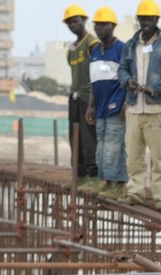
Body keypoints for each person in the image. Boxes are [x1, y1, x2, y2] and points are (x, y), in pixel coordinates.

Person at [118, 0, 161, 210]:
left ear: (156, 20)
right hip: (134, 107)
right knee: (134, 155)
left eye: (149, 19)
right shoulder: (131, 44)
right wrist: (128, 82)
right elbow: (123, 69)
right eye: (142, 18)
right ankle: (135, 192)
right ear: (138, 20)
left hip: (155, 109)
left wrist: (155, 88)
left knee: (159, 156)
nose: (145, 22)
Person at [87, 7, 128, 199]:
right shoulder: (95, 51)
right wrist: (91, 106)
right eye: (97, 25)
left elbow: (128, 77)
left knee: (114, 146)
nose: (99, 28)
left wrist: (124, 102)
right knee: (101, 148)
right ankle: (106, 181)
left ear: (112, 26)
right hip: (100, 108)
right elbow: (94, 82)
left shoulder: (121, 49)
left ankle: (118, 184)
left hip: (115, 105)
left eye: (103, 25)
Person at [63, 4, 99, 189]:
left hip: (88, 97)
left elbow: (98, 71)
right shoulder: (71, 49)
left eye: (75, 21)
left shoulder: (91, 43)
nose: (72, 25)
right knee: (74, 138)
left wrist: (93, 101)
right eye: (69, 23)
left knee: (88, 137)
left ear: (83, 20)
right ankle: (79, 175)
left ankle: (93, 175)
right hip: (75, 97)